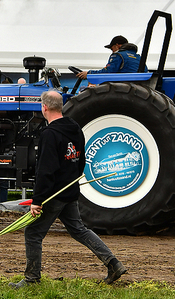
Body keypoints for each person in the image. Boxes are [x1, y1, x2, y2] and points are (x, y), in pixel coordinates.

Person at [9, 90, 126, 289]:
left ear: (44, 107)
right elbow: (81, 160)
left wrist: (37, 201)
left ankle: (32, 279)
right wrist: (72, 182)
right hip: (70, 191)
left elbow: (45, 171)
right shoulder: (75, 128)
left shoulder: (50, 134)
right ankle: (113, 264)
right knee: (79, 230)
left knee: (33, 233)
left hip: (54, 195)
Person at [76, 35, 141, 80]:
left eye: (112, 49)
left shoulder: (118, 55)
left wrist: (89, 73)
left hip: (122, 85)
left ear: (117, 45)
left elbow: (108, 72)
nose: (112, 52)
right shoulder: (138, 57)